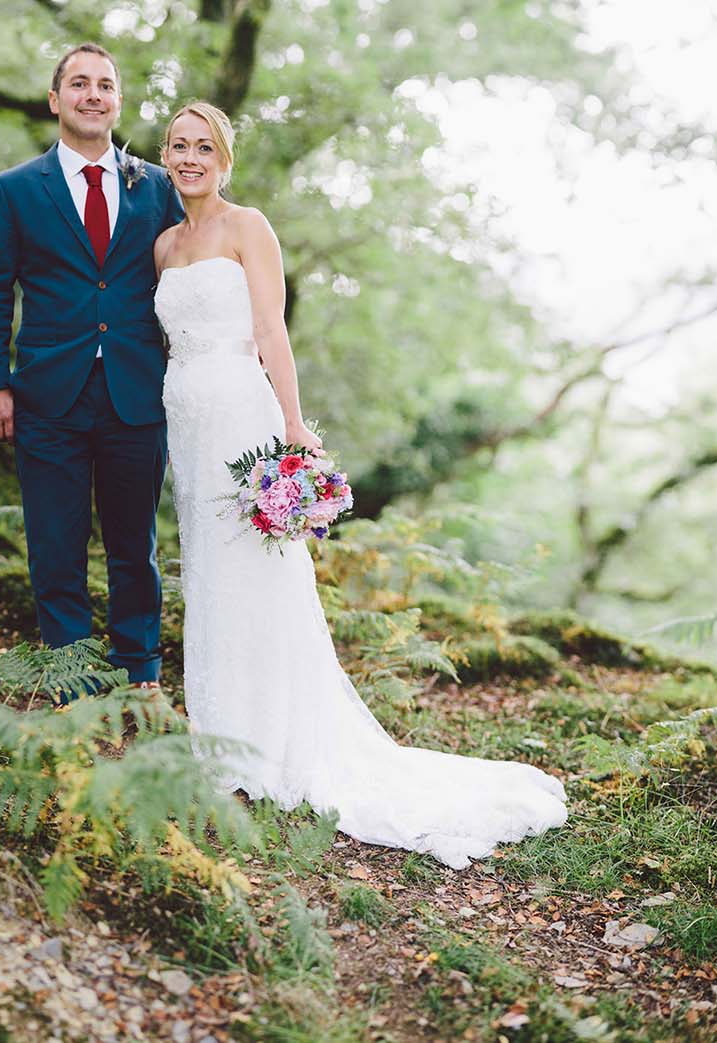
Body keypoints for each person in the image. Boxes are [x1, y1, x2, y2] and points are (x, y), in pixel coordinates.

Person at [153, 100, 567, 868]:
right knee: (207, 572)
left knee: (259, 575)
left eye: (203, 146)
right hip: (186, 420)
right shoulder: (163, 245)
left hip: (243, 416)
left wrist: (294, 427)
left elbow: (271, 329)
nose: (189, 157)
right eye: (178, 145)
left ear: (225, 157)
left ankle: (277, 737)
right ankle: (220, 733)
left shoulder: (250, 228)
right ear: (166, 155)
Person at [0, 45, 184, 690]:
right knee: (56, 546)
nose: (95, 94)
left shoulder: (159, 187)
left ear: (119, 102)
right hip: (45, 397)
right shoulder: (15, 190)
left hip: (137, 393)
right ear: (56, 100)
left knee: (133, 546)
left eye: (107, 85)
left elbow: (197, 270)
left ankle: (140, 670)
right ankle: (72, 676)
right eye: (80, 84)